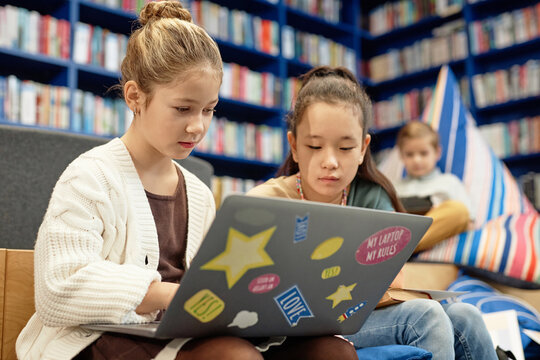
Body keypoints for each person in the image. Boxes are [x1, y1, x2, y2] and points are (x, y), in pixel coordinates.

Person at [15, 3, 358, 360]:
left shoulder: (197, 192)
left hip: (175, 333)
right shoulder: (90, 176)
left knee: (331, 350)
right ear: (135, 97)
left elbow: (212, 286)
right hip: (91, 339)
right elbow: (59, 288)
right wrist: (168, 295)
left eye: (209, 109)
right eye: (183, 109)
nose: (198, 126)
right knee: (233, 357)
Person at [247, 65, 498, 360]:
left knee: (467, 316)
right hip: (295, 325)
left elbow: (394, 280)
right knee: (426, 316)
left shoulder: (370, 195)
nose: (330, 161)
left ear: (363, 148)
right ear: (294, 146)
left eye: (345, 147)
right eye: (314, 146)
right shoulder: (264, 203)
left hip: (355, 314)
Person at [394, 121, 475, 252]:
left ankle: (402, 248)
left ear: (437, 152)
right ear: (401, 156)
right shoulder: (393, 187)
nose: (417, 160)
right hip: (400, 232)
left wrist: (437, 212)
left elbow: (469, 221)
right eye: (409, 154)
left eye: (423, 153)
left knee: (458, 210)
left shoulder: (449, 182)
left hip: (434, 237)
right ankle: (403, 247)